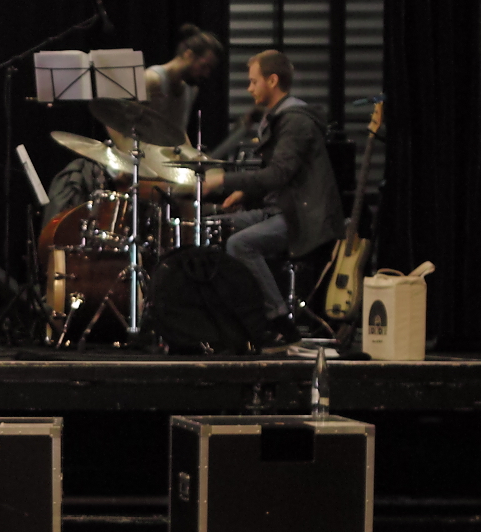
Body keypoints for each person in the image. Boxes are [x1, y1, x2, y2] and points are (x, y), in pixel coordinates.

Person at [203, 48, 343, 336]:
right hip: (279, 209)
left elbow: (278, 174)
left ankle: (278, 320)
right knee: (212, 227)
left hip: (301, 216)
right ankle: (233, 317)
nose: (249, 88)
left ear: (273, 80)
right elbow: (277, 174)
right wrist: (243, 194)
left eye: (254, 81)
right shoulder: (277, 117)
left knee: (240, 244)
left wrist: (222, 180)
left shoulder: (295, 120)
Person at [43, 25, 225, 226]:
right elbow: (114, 119)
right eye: (204, 66)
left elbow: (178, 131)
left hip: (162, 164)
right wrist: (127, 162)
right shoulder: (152, 80)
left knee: (202, 185)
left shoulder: (190, 89)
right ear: (188, 55)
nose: (206, 74)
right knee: (173, 194)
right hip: (135, 163)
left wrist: (191, 162)